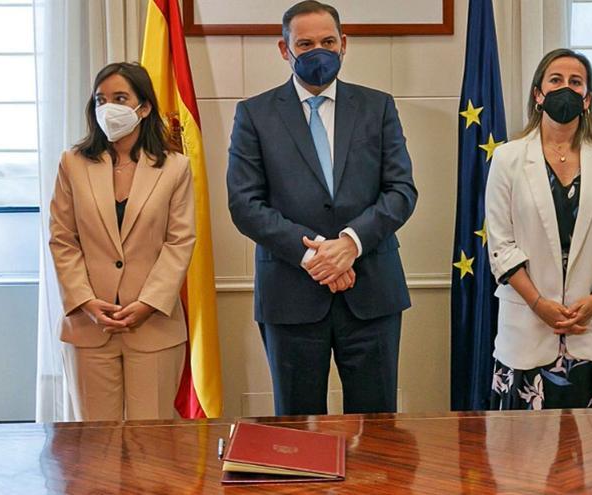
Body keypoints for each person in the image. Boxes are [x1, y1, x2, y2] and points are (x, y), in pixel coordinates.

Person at [227, 0, 417, 416]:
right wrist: (313, 253)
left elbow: (401, 190)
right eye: (306, 43)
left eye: (328, 41)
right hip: (290, 295)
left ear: (344, 44)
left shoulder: (377, 106)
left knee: (378, 435)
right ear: (285, 49)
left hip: (371, 291)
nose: (319, 51)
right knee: (294, 436)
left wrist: (350, 243)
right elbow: (244, 204)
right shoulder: (254, 114)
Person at [486, 48, 592, 410]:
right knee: (524, 458)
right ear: (538, 94)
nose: (565, 88)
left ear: (587, 99)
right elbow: (500, 244)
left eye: (575, 82)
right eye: (555, 80)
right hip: (529, 322)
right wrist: (539, 305)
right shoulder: (508, 157)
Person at [49, 62, 195, 421]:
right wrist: (85, 301)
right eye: (100, 99)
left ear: (143, 108)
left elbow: (180, 242)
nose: (108, 108)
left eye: (119, 98)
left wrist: (147, 303)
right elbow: (62, 239)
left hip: (153, 326)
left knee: (152, 448)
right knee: (96, 448)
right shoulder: (72, 163)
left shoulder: (175, 167)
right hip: (88, 326)